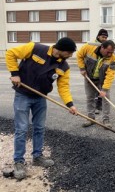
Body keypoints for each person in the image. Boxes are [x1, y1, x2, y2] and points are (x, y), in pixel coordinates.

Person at [5, 37, 78, 180]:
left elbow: (63, 87)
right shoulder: (35, 48)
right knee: (22, 128)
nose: (71, 55)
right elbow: (11, 53)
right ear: (61, 49)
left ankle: (37, 157)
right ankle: (19, 161)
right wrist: (15, 74)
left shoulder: (64, 67)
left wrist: (70, 104)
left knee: (39, 128)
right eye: (69, 52)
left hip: (40, 98)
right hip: (23, 95)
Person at [76, 40, 115, 128]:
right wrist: (82, 68)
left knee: (106, 99)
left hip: (102, 80)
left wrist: (104, 89)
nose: (110, 54)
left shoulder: (113, 58)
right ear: (102, 47)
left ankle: (106, 120)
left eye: (112, 52)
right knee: (90, 98)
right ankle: (91, 119)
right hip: (89, 77)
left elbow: (111, 74)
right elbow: (79, 55)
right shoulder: (88, 47)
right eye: (108, 52)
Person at [91, 29, 109, 114]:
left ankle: (98, 107)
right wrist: (83, 68)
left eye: (106, 37)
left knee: (100, 91)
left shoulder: (106, 47)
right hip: (91, 74)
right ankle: (92, 109)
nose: (104, 39)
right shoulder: (91, 46)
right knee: (92, 93)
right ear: (98, 36)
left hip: (101, 74)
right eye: (103, 37)